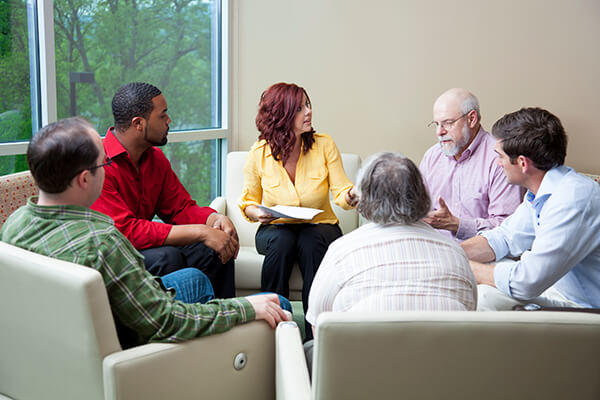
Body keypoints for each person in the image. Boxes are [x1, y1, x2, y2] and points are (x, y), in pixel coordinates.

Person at [0, 117, 289, 348]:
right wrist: (246, 308)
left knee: (194, 278)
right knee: (279, 305)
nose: (107, 168)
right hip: (133, 348)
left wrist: (209, 219)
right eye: (104, 163)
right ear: (84, 179)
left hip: (63, 341)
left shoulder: (14, 224)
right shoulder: (104, 243)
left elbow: (179, 205)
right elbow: (167, 321)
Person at [304, 152, 477, 372]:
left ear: (364, 197)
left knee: (308, 349)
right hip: (441, 377)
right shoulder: (456, 253)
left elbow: (318, 323)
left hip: (360, 378)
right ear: (422, 195)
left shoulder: (342, 250)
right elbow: (470, 316)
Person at [91, 82, 237, 298]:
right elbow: (126, 231)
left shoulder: (155, 159)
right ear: (138, 123)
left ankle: (223, 320)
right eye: (163, 115)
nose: (169, 121)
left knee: (214, 248)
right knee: (167, 257)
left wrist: (213, 220)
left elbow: (180, 208)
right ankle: (177, 325)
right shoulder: (100, 165)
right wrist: (200, 232)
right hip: (112, 257)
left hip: (144, 247)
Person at [239, 82, 358, 339]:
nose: (309, 112)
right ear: (282, 115)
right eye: (300, 108)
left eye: (308, 105)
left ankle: (315, 334)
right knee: (282, 242)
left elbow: (341, 190)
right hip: (274, 227)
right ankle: (271, 330)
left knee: (311, 240)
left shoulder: (324, 145)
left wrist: (351, 195)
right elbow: (248, 201)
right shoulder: (258, 153)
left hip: (319, 227)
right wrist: (257, 213)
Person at [461, 107, 600, 310]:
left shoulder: (573, 200)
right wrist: (449, 253)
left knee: (484, 296)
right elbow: (506, 238)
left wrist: (463, 267)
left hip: (583, 306)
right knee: (490, 267)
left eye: (499, 156)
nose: (498, 163)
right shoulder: (541, 192)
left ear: (522, 163)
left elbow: (525, 283)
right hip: (554, 288)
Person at [419, 88, 522, 241]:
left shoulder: (500, 158)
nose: (439, 132)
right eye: (436, 124)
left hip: (485, 258)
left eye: (448, 123)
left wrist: (457, 225)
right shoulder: (431, 156)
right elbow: (417, 207)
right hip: (437, 254)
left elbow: (507, 228)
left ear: (472, 119)